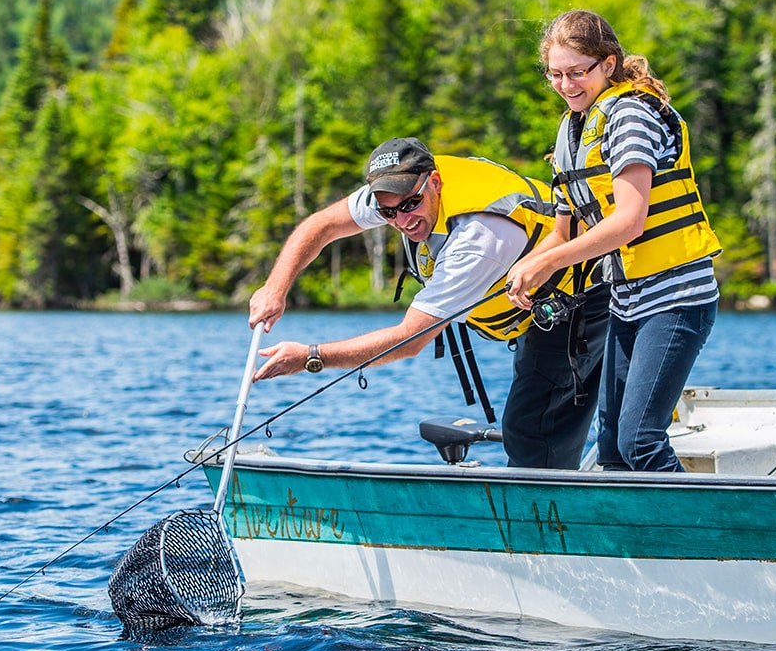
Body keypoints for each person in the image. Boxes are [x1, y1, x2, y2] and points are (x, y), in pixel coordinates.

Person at [249, 137, 608, 469]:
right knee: (530, 422)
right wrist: (274, 288)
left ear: (434, 181)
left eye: (409, 205)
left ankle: (541, 529)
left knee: (532, 428)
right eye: (389, 213)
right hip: (533, 314)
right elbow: (324, 224)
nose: (403, 221)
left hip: (582, 301)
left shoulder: (479, 236)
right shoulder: (395, 193)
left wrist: (312, 356)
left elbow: (410, 339)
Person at [504, 10, 722, 473]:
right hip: (627, 300)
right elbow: (563, 233)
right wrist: (522, 271)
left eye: (577, 72)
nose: (566, 85)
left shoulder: (631, 115)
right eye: (556, 75)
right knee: (612, 453)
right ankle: (629, 545)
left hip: (677, 298)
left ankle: (708, 535)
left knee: (640, 441)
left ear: (607, 63)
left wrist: (547, 264)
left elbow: (629, 222)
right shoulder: (571, 130)